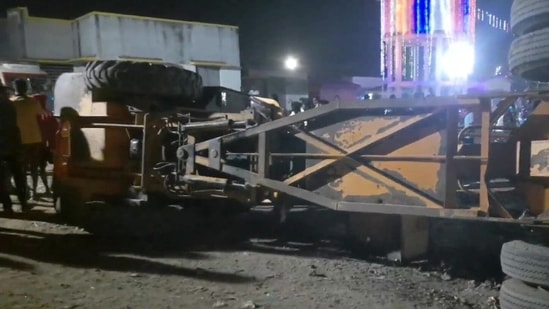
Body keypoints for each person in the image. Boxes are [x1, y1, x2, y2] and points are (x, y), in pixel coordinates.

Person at [11, 79, 46, 200]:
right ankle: (35, 192)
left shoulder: (11, 103)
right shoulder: (33, 102)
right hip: (35, 138)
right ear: (26, 88)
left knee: (22, 169)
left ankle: (25, 191)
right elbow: (41, 114)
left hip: (20, 140)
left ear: (15, 88)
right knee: (34, 168)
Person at [0, 85, 29, 214]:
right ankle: (24, 204)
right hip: (14, 145)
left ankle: (7, 206)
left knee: (1, 178)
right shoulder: (10, 105)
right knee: (19, 176)